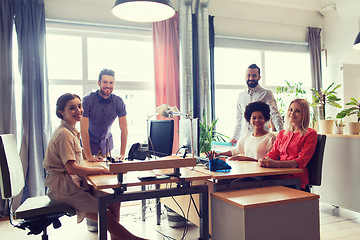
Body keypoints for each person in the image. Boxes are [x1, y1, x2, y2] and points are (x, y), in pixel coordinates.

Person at [43, 93, 146, 240]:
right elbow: (72, 168)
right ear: (61, 112)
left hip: (70, 185)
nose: (78, 110)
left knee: (114, 201)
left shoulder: (71, 132)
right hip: (64, 190)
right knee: (106, 215)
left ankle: (116, 238)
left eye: (79, 106)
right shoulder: (64, 134)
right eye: (72, 108)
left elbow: (74, 163)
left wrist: (92, 161)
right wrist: (102, 169)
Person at [258, 98, 317, 191]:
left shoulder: (310, 134)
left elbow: (300, 161)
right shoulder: (281, 134)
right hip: (278, 176)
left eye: (297, 111)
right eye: (291, 109)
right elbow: (273, 153)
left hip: (295, 180)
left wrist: (275, 164)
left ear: (304, 114)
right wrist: (265, 160)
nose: (292, 114)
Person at [80, 69, 128, 162]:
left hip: (106, 147)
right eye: (105, 82)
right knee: (88, 175)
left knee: (106, 175)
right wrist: (89, 156)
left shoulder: (118, 102)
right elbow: (83, 130)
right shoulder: (87, 100)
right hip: (87, 148)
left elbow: (124, 129)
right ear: (99, 83)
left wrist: (122, 154)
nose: (108, 85)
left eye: (111, 82)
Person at [231, 64, 283, 145]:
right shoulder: (241, 96)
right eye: (248, 75)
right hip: (244, 140)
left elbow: (275, 115)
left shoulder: (267, 93)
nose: (251, 78)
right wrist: (235, 137)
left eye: (254, 75)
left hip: (261, 140)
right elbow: (239, 119)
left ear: (259, 77)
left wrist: (281, 134)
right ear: (245, 76)